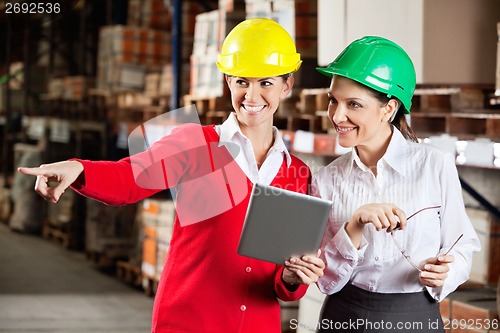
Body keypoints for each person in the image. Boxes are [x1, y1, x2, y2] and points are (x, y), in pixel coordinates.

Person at [18, 18, 325, 333]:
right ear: (228, 81)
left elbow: (284, 278)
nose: (252, 95)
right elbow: (130, 178)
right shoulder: (195, 143)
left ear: (286, 86)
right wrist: (79, 168)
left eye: (266, 83)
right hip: (188, 321)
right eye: (242, 81)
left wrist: (291, 278)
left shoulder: (297, 174)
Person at [311, 36, 480, 332]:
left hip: (415, 318)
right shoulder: (326, 180)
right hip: (344, 318)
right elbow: (325, 279)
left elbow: (462, 243)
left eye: (354, 104)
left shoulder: (434, 166)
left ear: (388, 108)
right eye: (333, 101)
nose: (337, 116)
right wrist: (355, 225)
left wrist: (446, 272)